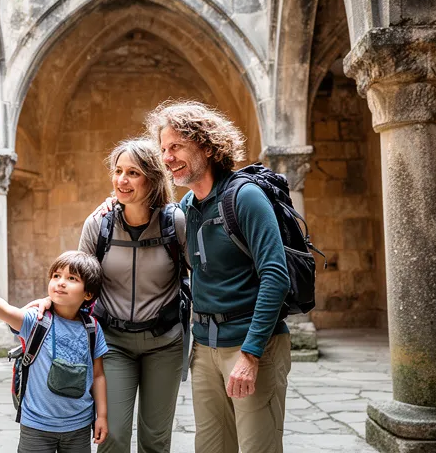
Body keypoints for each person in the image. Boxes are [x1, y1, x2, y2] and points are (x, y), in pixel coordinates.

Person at [147, 100, 291, 453]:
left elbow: (276, 276)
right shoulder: (187, 209)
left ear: (208, 147)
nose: (167, 158)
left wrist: (251, 354)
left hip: (252, 346)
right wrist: (113, 206)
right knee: (210, 447)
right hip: (205, 348)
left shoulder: (245, 197)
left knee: (259, 447)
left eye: (176, 146)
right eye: (164, 149)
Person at [28, 138, 188, 453]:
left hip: (165, 342)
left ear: (152, 178)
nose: (121, 180)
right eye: (117, 171)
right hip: (112, 342)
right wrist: (50, 301)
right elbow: (77, 275)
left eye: (132, 173)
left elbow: (198, 273)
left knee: (156, 440)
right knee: (112, 435)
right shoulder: (99, 223)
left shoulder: (175, 222)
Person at [0, 251, 109, 453]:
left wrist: (101, 416)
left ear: (88, 294)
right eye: (56, 276)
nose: (60, 282)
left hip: (78, 425)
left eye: (72, 278)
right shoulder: (36, 319)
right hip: (36, 425)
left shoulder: (92, 328)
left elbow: (98, 375)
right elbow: (6, 310)